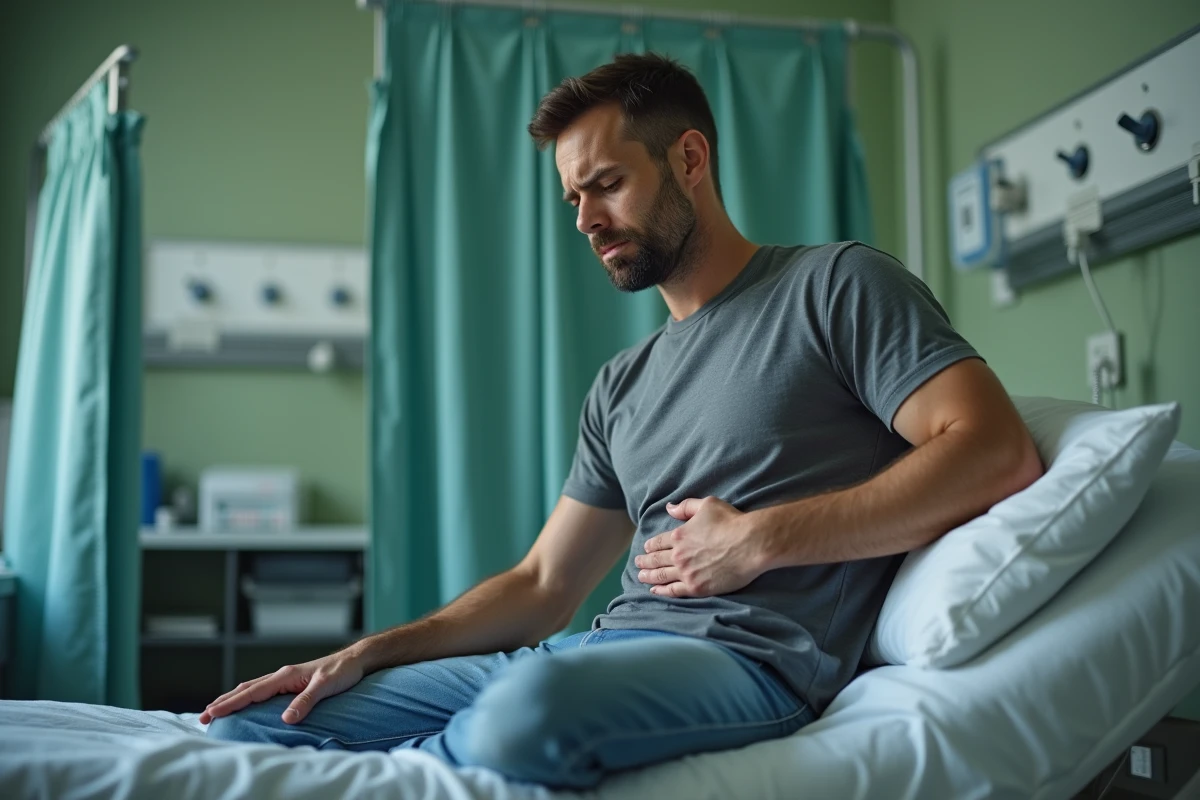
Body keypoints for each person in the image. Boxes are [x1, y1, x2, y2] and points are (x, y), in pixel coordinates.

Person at [204, 53, 1043, 789]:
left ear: (689, 159)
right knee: (265, 722)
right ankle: (430, 749)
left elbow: (994, 450)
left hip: (745, 664)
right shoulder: (621, 383)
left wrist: (760, 540)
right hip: (589, 657)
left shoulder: (836, 288)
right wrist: (368, 653)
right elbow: (544, 585)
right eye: (573, 196)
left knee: (524, 717)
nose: (585, 220)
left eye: (606, 184)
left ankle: (420, 768)